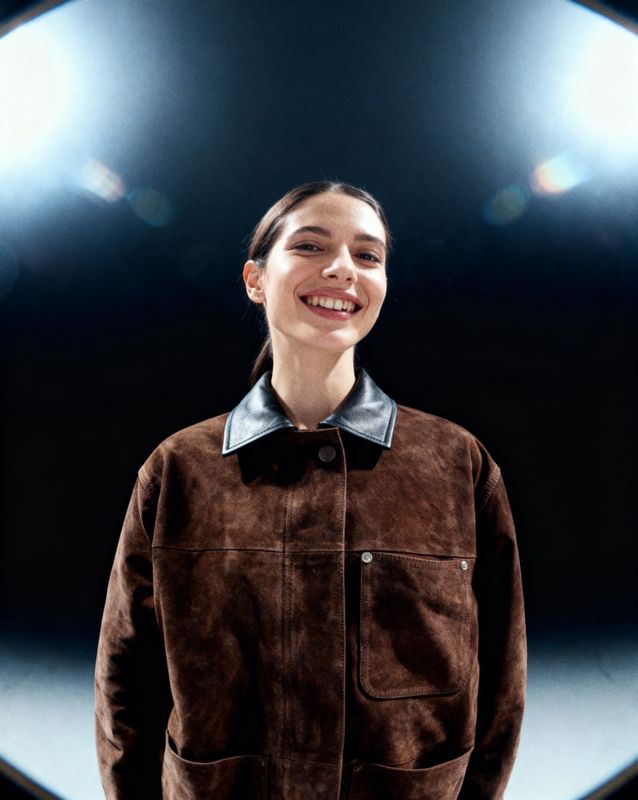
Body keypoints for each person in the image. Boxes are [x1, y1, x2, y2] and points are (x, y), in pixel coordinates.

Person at [94, 180, 526, 800]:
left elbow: (503, 683)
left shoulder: (456, 464)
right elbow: (124, 683)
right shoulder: (178, 470)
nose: (343, 268)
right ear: (255, 279)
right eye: (310, 245)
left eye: (368, 255)